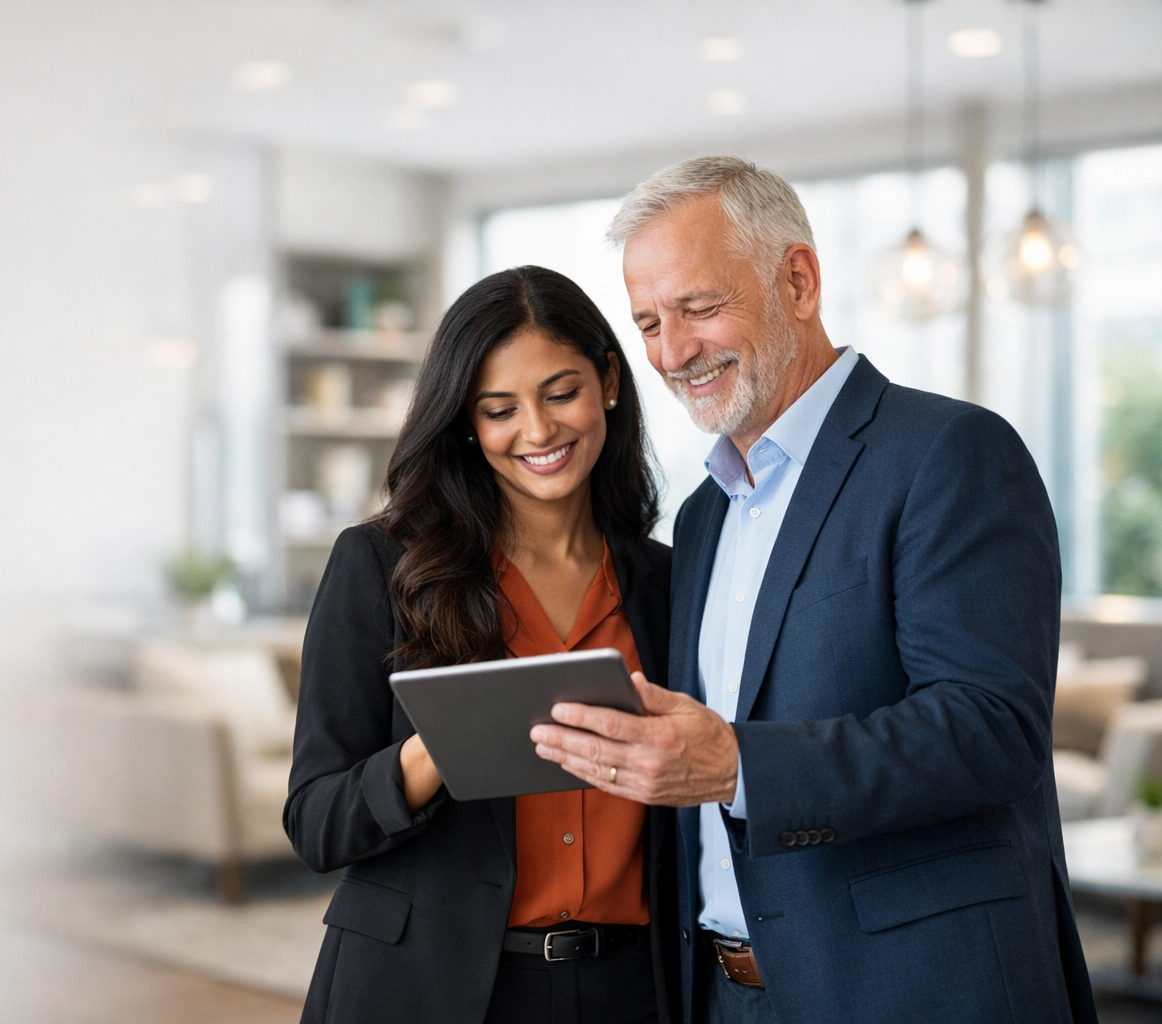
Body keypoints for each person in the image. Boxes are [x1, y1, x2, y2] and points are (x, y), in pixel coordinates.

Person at [529, 157, 1099, 1024]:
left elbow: (992, 730)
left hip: (917, 992)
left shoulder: (949, 452)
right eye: (648, 323)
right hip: (724, 995)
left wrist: (736, 765)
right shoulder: (702, 518)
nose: (672, 353)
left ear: (798, 280)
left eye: (699, 307)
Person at [285, 265, 680, 1024]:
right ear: (467, 422)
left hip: (631, 988)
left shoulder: (667, 582)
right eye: (499, 410)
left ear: (608, 383)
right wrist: (439, 748)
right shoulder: (379, 566)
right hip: (431, 988)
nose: (538, 431)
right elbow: (315, 822)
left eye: (560, 394)